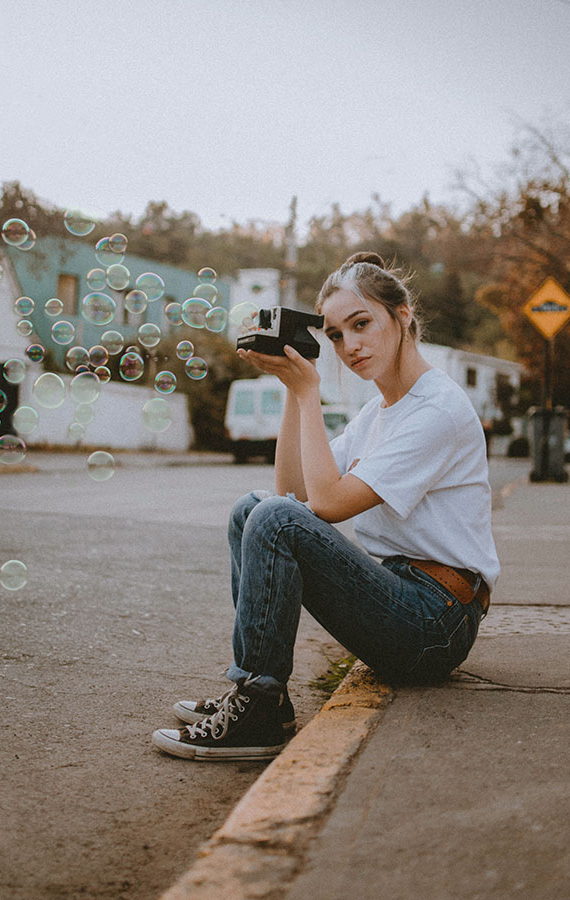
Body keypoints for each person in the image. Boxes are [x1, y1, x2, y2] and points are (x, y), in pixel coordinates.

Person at [152, 252, 500, 761]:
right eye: (335, 335)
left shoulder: (438, 410)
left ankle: (257, 710)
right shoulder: (377, 413)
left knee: (272, 517)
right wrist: (294, 393)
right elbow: (291, 490)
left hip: (437, 622)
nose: (349, 345)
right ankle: (263, 696)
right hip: (404, 595)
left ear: (402, 316)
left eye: (362, 324)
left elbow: (328, 504)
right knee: (253, 509)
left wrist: (309, 394)